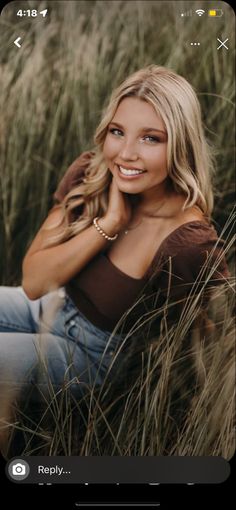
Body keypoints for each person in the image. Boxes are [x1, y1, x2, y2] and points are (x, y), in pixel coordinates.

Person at [0, 65, 230, 410]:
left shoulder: (188, 242)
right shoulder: (91, 175)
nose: (125, 154)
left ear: (181, 145)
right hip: (50, 307)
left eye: (151, 138)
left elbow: (218, 331)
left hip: (92, 358)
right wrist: (110, 222)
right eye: (117, 132)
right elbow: (34, 281)